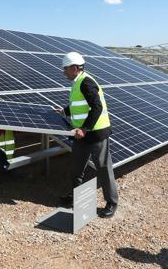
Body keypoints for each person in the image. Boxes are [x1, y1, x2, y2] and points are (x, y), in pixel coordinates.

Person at [57, 51, 118, 218]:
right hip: (81, 135)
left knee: (103, 168)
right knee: (76, 169)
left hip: (96, 134)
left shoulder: (86, 83)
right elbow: (79, 105)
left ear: (75, 68)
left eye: (66, 69)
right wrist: (64, 110)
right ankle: (75, 196)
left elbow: (96, 107)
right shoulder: (78, 82)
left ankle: (111, 203)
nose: (64, 72)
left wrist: (84, 129)